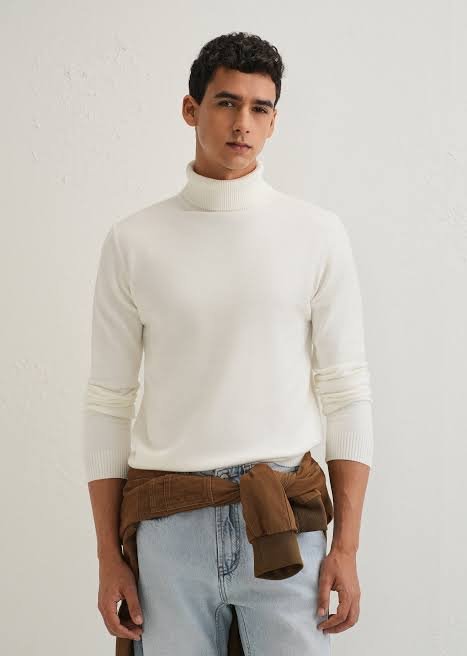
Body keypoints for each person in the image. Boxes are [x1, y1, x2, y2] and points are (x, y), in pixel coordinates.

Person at [83, 31, 373, 654]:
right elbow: (109, 400)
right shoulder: (133, 241)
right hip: (169, 528)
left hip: (286, 524)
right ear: (191, 109)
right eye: (226, 102)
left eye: (259, 108)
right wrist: (109, 556)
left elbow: (346, 390)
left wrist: (346, 548)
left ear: (273, 122)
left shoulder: (317, 234)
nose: (243, 122)